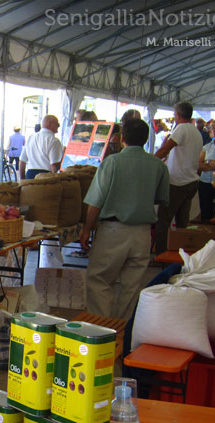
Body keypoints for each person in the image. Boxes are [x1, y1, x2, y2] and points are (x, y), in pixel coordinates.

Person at [80, 118, 169, 320]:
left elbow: (96, 201)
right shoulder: (158, 165)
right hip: (143, 233)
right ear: (146, 139)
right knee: (132, 287)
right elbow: (161, 199)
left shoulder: (112, 162)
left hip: (113, 231)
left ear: (121, 139)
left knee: (100, 281)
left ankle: (101, 331)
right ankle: (122, 332)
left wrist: (87, 229)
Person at [153, 101, 204, 254]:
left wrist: (150, 161)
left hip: (177, 182)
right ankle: (180, 253)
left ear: (178, 115)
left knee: (163, 221)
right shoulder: (196, 132)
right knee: (182, 223)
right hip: (191, 181)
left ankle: (161, 254)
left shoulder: (181, 129)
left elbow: (164, 149)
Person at [19, 115, 62, 180]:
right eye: (57, 124)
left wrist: (22, 179)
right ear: (49, 124)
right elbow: (54, 166)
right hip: (46, 177)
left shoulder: (31, 138)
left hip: (30, 175)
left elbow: (22, 161)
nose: (59, 126)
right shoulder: (54, 140)